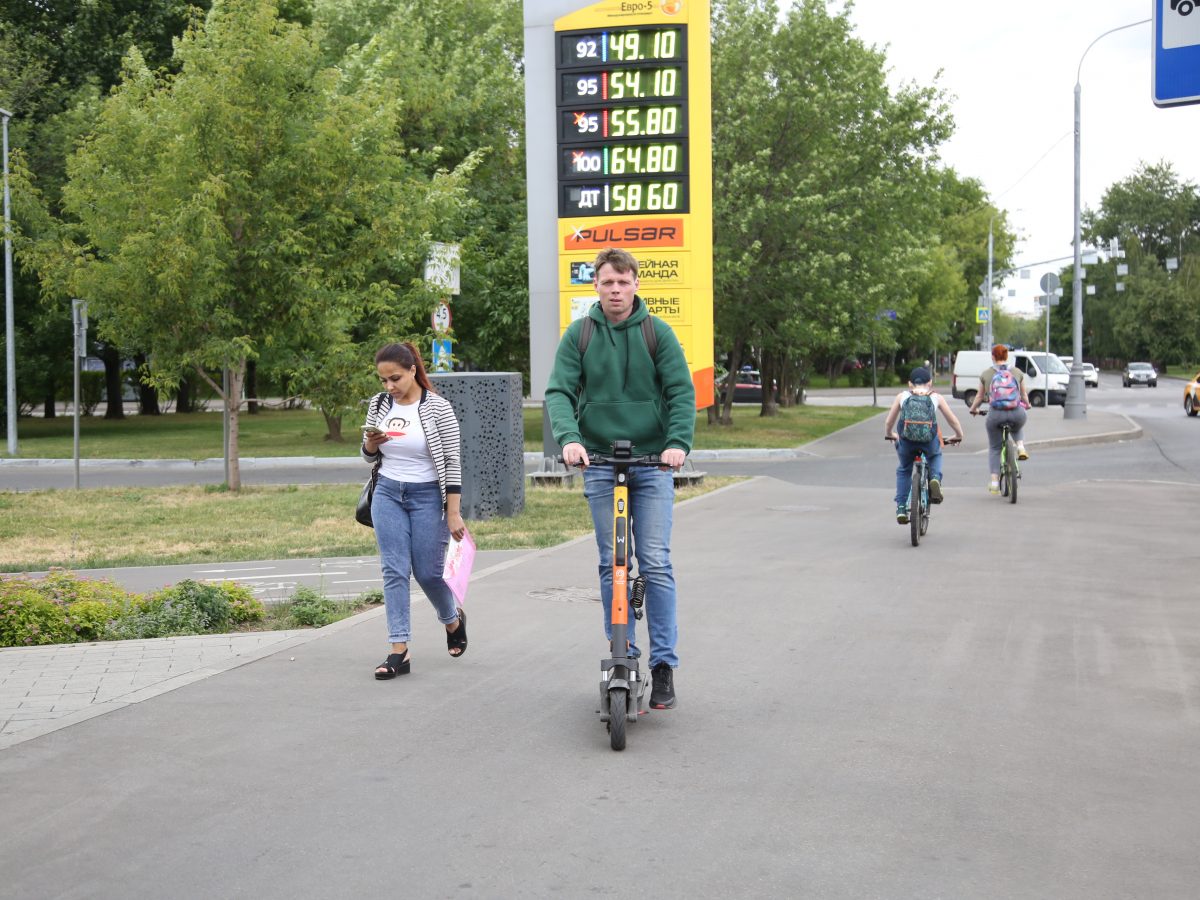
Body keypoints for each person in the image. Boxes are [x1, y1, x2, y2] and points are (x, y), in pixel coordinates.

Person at [545, 248, 695, 710]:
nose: (615, 290)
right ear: (596, 285)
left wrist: (677, 444)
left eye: (623, 282)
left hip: (652, 463)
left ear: (635, 285)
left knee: (654, 561)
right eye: (607, 282)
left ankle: (663, 664)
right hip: (601, 463)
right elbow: (559, 392)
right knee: (614, 561)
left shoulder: (657, 332)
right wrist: (570, 439)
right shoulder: (581, 333)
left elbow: (680, 392)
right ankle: (622, 654)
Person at [362, 341, 467, 680]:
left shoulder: (438, 408)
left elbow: (452, 463)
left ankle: (451, 619)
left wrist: (453, 513)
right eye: (383, 381)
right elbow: (367, 456)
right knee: (394, 570)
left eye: (395, 378)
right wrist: (370, 444)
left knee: (428, 573)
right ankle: (399, 651)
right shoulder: (379, 405)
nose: (389, 387)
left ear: (412, 371)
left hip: (427, 498)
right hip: (388, 493)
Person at [884, 366, 965, 524]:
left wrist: (890, 434)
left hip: (906, 441)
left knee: (904, 469)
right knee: (935, 455)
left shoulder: (902, 396)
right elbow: (952, 420)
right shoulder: (936, 397)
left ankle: (901, 507)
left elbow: (889, 422)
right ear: (930, 383)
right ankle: (934, 478)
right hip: (928, 440)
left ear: (910, 384)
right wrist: (959, 436)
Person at [967, 344, 1031, 494]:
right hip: (1016, 412)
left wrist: (973, 409)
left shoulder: (986, 374)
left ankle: (995, 482)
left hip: (995, 414)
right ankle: (1020, 446)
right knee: (1018, 426)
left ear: (993, 357)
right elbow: (1023, 395)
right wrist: (1027, 405)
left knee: (995, 448)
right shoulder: (1017, 372)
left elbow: (979, 397)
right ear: (1007, 356)